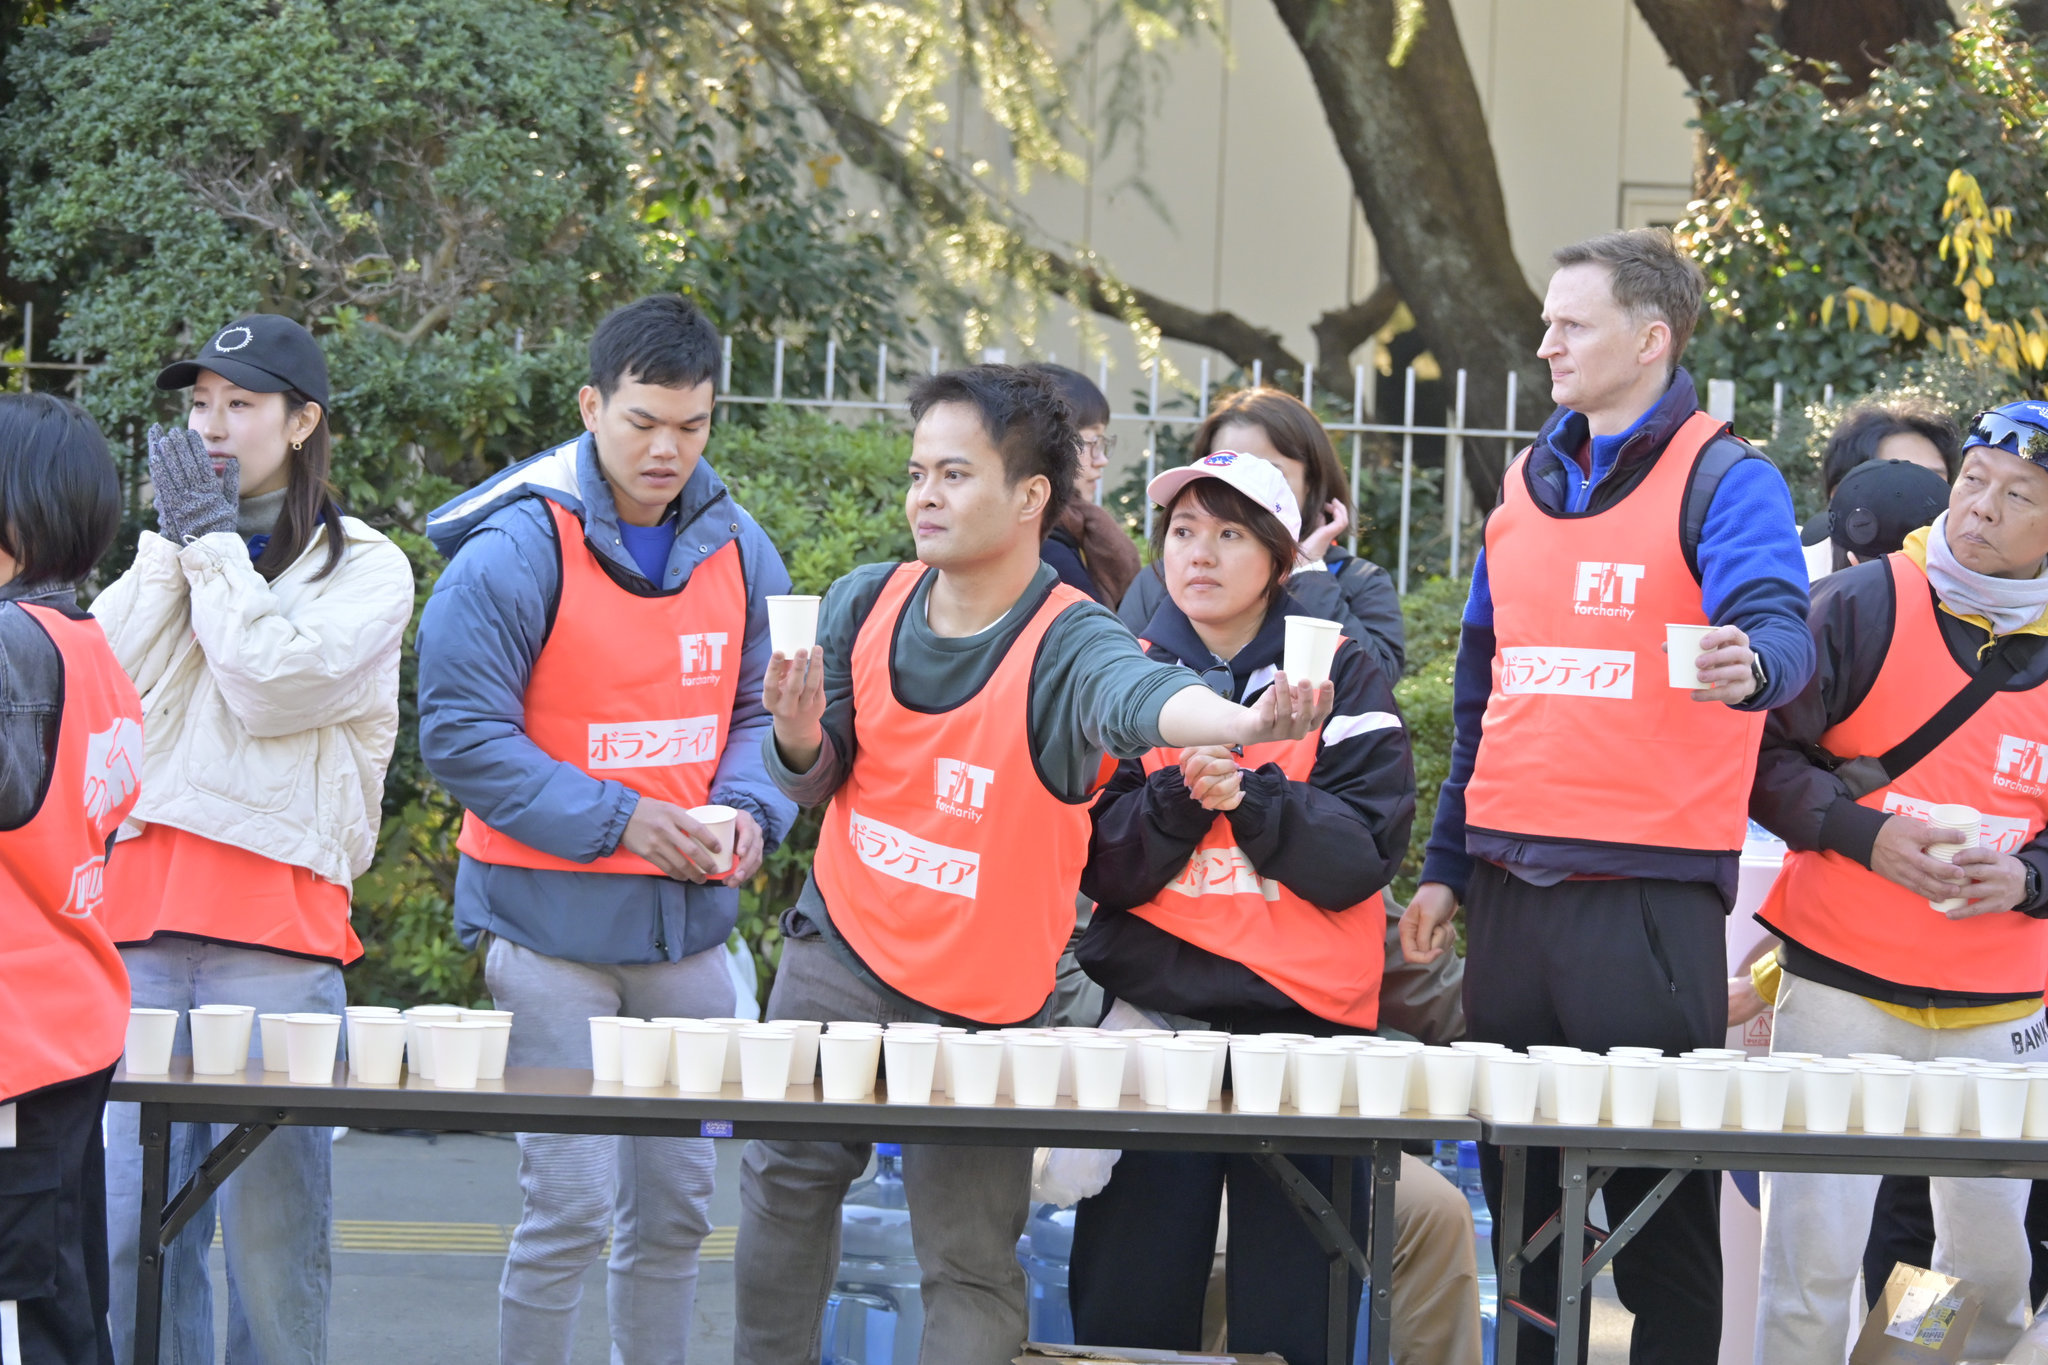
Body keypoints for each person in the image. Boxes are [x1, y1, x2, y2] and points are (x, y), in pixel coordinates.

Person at [736, 366, 1333, 1365]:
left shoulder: (1071, 637)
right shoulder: (864, 601)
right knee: (784, 1190)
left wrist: (1241, 722)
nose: (925, 496)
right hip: (838, 951)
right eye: (918, 472)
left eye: (954, 473)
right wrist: (794, 732)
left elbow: (1142, 696)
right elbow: (816, 774)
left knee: (969, 1257)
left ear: (1029, 497)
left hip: (984, 997)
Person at [1398, 229, 1815, 1363]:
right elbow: (1484, 693)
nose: (1545, 344)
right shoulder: (1521, 486)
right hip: (1508, 892)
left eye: (1570, 324)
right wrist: (1444, 869)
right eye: (1547, 322)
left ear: (1649, 339)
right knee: (1526, 1212)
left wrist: (1753, 664)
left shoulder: (1725, 478)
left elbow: (1778, 624)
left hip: (1644, 896)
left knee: (1656, 1214)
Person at [417, 295, 795, 1365]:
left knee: (676, 1215)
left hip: (688, 937)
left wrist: (751, 811)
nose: (667, 449)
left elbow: (763, 710)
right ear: (591, 406)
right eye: (642, 422)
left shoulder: (738, 545)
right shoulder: (515, 547)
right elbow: (459, 736)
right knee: (569, 1213)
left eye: (692, 425)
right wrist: (625, 818)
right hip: (548, 936)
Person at [1066, 452, 1476, 1364]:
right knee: (1128, 1317)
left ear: (1280, 558)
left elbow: (1364, 854)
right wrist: (1178, 798)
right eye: (1182, 531)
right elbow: (1095, 858)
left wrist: (1253, 797)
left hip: (1307, 1044)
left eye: (1229, 534)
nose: (1198, 553)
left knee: (1298, 1320)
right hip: (1154, 1035)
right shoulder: (1123, 670)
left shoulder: (1342, 673)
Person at [95, 315, 414, 1365]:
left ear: (302, 420)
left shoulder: (368, 567)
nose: (212, 426)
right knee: (128, 1236)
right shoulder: (180, 548)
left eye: (240, 403)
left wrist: (211, 547)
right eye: (199, 405)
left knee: (276, 1255)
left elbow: (271, 686)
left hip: (278, 931)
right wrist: (173, 544)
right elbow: (101, 686)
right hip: (136, 922)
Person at [1748, 400, 2048, 1363]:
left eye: (2019, 495)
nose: (1981, 507)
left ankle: (1903, 1361)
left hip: (2000, 1009)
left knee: (1980, 1267)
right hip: (1841, 985)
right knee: (1812, 1263)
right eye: (1974, 481)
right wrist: (1863, 834)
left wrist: (2028, 877)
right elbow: (1759, 758)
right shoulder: (1859, 602)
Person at [0, 393, 143, 1365]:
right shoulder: (86, 646)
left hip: (16, 1038)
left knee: (23, 1319)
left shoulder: (12, 650)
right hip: (67, 1018)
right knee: (59, 1303)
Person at [1119, 387, 1405, 683]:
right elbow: (1119, 682)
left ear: (1311, 482)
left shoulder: (1359, 581)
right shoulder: (1165, 577)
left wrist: (1308, 571)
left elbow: (1374, 684)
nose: (1244, 485)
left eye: (1268, 471)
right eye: (1228, 467)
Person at [1801, 399, 1962, 579]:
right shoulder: (1797, 575)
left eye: (1934, 479)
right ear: (1840, 493)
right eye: (1896, 477)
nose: (1919, 490)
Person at [1029, 363, 1139, 609]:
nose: (1102, 460)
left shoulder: (1072, 527)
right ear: (1052, 446)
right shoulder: (1048, 549)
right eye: (1093, 441)